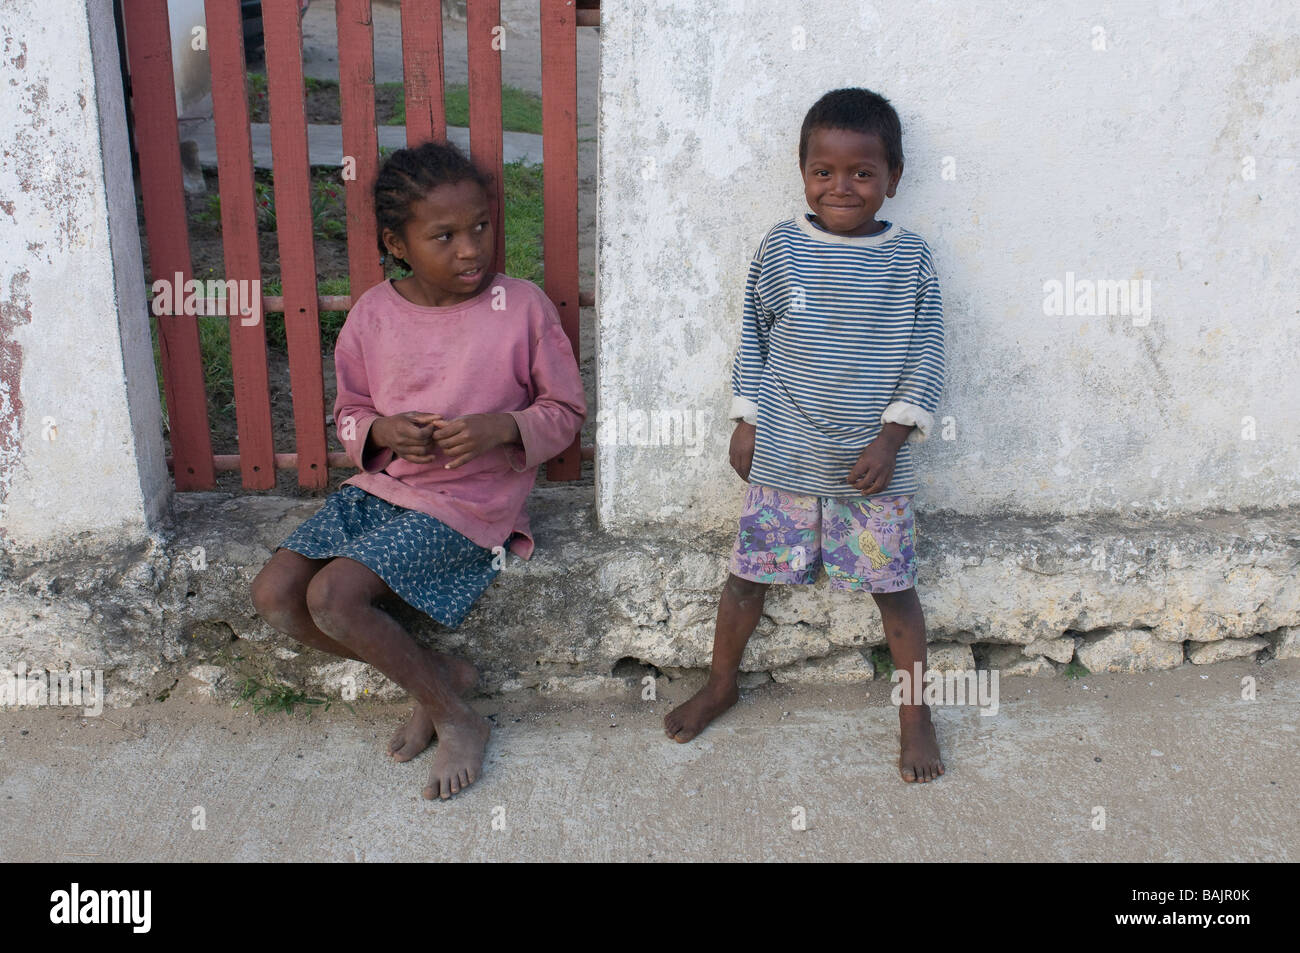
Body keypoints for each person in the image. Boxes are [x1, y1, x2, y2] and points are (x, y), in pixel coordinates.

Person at [251, 140, 585, 800]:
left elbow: (566, 410)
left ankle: (458, 716)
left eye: (481, 227)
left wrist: (501, 427)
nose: (470, 249)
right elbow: (349, 412)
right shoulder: (374, 315)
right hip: (382, 488)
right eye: (445, 235)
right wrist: (379, 430)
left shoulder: (520, 308)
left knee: (333, 597)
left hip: (469, 505)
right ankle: (433, 677)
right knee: (275, 595)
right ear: (397, 243)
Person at [663, 88, 948, 783]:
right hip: (785, 454)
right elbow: (754, 339)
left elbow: (927, 354)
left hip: (870, 465)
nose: (842, 186)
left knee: (896, 590)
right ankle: (722, 681)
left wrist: (891, 439)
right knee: (746, 580)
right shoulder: (782, 247)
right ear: (802, 172)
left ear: (894, 178)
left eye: (862, 172)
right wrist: (746, 417)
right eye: (824, 171)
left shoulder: (910, 261)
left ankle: (915, 714)